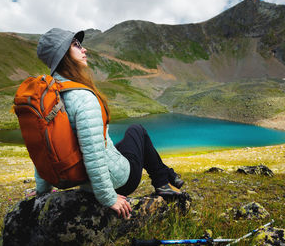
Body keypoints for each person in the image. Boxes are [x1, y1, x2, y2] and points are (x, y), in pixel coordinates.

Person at [35, 28, 184, 219]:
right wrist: (108, 198)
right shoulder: (82, 98)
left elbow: (42, 148)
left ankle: (165, 176)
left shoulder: (48, 96)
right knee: (137, 130)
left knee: (126, 142)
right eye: (76, 45)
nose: (84, 49)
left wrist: (42, 194)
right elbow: (94, 155)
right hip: (119, 181)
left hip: (82, 178)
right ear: (63, 54)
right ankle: (163, 180)